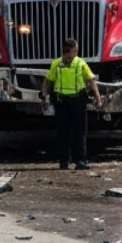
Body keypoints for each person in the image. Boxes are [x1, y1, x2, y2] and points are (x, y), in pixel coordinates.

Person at [40, 37, 103, 170]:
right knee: (63, 132)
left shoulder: (80, 64)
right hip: (61, 102)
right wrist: (43, 97)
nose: (76, 53)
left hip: (78, 101)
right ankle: (64, 161)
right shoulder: (56, 64)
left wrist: (98, 97)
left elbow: (91, 80)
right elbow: (48, 81)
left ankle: (80, 160)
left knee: (79, 132)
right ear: (68, 51)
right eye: (75, 50)